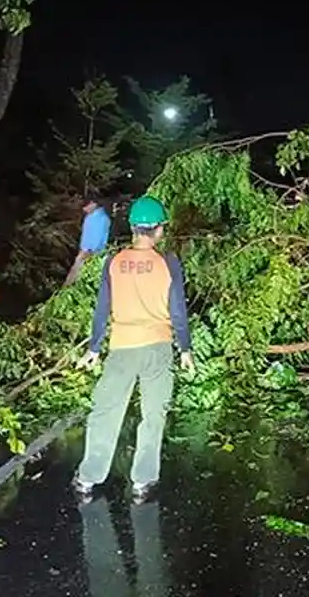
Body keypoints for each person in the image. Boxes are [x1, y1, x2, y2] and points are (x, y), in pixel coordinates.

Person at [73, 195, 194, 503]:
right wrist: (185, 349)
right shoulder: (168, 263)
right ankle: (142, 482)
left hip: (122, 347)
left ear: (133, 229)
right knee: (153, 414)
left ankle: (88, 478)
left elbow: (102, 308)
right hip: (157, 347)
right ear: (159, 230)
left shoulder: (114, 262)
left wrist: (94, 348)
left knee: (105, 413)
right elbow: (177, 309)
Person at [65, 192, 112, 286]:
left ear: (93, 204)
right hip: (83, 251)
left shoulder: (101, 218)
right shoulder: (90, 216)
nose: (84, 209)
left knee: (75, 279)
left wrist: (88, 253)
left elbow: (98, 238)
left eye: (85, 206)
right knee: (73, 277)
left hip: (89, 254)